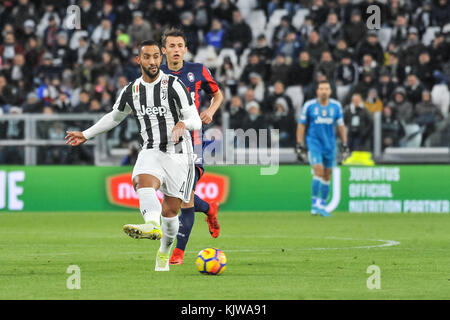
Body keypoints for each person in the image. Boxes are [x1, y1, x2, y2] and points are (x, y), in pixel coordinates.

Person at [65, 40, 202, 272]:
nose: (152, 61)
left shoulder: (174, 85)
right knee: (141, 180)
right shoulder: (132, 90)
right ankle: (150, 224)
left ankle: (164, 252)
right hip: (151, 149)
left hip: (180, 154)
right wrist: (87, 134)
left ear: (161, 58)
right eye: (147, 57)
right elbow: (114, 117)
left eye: (156, 56)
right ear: (139, 60)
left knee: (170, 214)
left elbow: (196, 119)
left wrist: (183, 123)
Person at [160, 28, 224, 265]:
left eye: (180, 46)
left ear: (185, 49)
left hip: (193, 142)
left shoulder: (197, 71)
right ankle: (209, 208)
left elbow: (218, 95)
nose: (176, 50)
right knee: (173, 198)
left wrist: (209, 111)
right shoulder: (157, 74)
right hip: (165, 144)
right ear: (163, 50)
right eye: (172, 46)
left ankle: (179, 252)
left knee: (185, 199)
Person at [296, 80, 349, 217]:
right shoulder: (309, 106)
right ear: (317, 91)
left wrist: (344, 144)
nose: (324, 91)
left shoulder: (336, 106)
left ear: (330, 91)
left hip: (330, 145)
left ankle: (322, 204)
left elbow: (341, 126)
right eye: (321, 89)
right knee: (318, 170)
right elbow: (301, 125)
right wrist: (299, 144)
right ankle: (314, 205)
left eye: (326, 88)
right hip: (314, 143)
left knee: (327, 175)